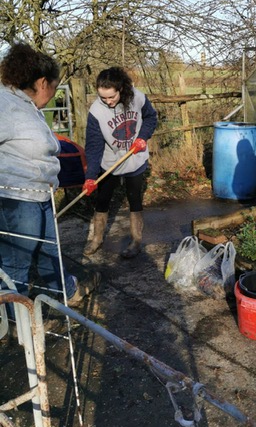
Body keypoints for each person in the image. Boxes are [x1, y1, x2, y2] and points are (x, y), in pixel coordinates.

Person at [0, 42, 94, 310]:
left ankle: (64, 293)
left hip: (39, 196)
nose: (53, 95)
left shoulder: (26, 106)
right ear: (43, 83)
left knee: (49, 250)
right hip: (15, 200)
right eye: (54, 87)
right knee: (16, 262)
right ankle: (14, 322)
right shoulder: (5, 105)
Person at [82, 67, 158, 258]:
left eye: (111, 97)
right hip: (110, 162)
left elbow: (151, 117)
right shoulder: (96, 111)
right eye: (103, 97)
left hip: (135, 158)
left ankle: (136, 241)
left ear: (121, 89)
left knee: (134, 199)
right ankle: (97, 239)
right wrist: (91, 176)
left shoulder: (137, 98)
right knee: (102, 200)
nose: (107, 102)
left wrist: (143, 136)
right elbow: (93, 147)